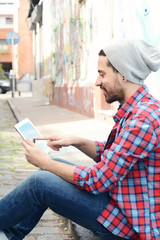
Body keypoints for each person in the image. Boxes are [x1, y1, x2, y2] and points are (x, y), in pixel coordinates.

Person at [1, 39, 160, 240]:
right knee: (52, 168)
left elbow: (98, 180)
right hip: (122, 203)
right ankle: (8, 234)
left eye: (102, 74)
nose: (96, 81)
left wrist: (45, 162)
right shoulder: (141, 109)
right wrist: (76, 141)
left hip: (129, 225)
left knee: (40, 182)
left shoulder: (141, 121)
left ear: (123, 75)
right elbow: (115, 157)